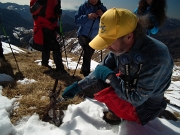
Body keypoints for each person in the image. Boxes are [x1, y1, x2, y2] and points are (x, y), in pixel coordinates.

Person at [62, 8, 174, 125]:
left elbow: (136, 99)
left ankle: (120, 115)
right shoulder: (122, 45)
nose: (106, 47)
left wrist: (110, 77)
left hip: (145, 107)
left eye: (109, 41)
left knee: (106, 81)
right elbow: (101, 69)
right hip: (131, 84)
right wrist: (78, 86)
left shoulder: (156, 58)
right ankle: (117, 109)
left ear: (129, 37)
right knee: (101, 79)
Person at [30, 0, 67, 74]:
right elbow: (33, 10)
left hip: (51, 25)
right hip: (42, 25)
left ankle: (45, 63)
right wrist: (40, 2)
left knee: (46, 45)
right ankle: (60, 69)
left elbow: (53, 12)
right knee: (56, 46)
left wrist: (58, 13)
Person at [75, 0, 107, 76]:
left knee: (89, 52)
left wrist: (103, 15)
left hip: (94, 36)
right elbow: (76, 21)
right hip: (82, 34)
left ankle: (83, 69)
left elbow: (108, 22)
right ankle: (86, 73)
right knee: (88, 50)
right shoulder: (83, 7)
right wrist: (87, 16)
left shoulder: (103, 8)